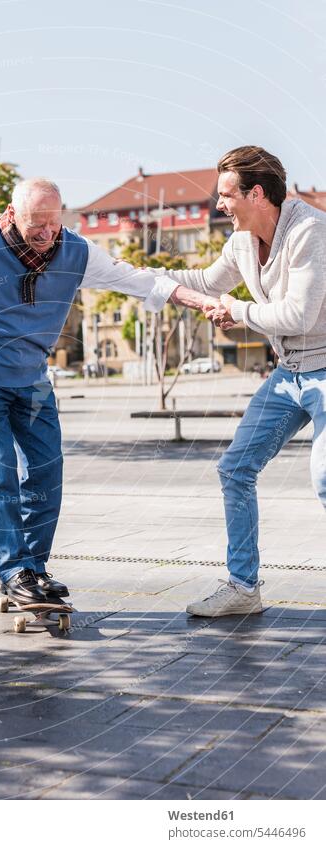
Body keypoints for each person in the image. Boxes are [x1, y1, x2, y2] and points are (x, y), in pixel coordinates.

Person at [0, 178, 215, 604]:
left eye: (54, 224)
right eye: (37, 224)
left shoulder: (75, 251)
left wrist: (199, 301)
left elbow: (137, 279)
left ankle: (33, 567)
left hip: (31, 375)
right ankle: (13, 570)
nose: (46, 235)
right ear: (13, 215)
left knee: (47, 469)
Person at [163, 145, 326, 617]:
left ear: (256, 193)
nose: (219, 205)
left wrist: (238, 311)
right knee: (235, 468)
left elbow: (297, 314)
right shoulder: (240, 242)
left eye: (225, 195)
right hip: (289, 373)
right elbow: (204, 280)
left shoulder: (309, 230)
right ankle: (242, 587)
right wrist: (135, 277)